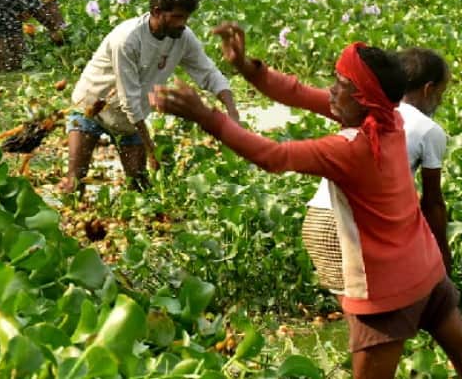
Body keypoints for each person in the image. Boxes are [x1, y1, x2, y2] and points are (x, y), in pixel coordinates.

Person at [152, 44, 462, 379]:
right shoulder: (391, 119)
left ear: (362, 98)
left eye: (340, 84)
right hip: (429, 274)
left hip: (387, 294)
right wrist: (245, 66)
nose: (331, 89)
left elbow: (271, 156)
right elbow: (298, 93)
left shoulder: (350, 150)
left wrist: (206, 116)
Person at [212, 22, 452, 276]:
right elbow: (433, 203)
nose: (335, 91)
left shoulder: (366, 112)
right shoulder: (413, 127)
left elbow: (296, 93)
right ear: (428, 89)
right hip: (353, 226)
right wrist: (443, 256)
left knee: (413, 304)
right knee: (385, 308)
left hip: (320, 220)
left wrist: (244, 67)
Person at [65, 0, 237, 193]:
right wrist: (150, 150)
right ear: (157, 12)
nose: (182, 23)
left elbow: (209, 73)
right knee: (74, 183)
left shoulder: (182, 37)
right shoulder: (127, 39)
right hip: (91, 108)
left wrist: (232, 112)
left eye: (185, 17)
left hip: (127, 121)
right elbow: (129, 99)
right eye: (176, 17)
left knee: (140, 187)